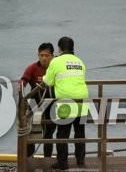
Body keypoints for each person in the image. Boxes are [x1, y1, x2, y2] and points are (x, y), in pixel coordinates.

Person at [41, 37, 89, 171]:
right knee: (80, 133)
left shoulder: (56, 61)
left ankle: (63, 163)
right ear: (73, 48)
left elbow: (48, 81)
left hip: (66, 103)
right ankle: (80, 160)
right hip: (82, 101)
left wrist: (44, 79)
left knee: (62, 134)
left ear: (59, 49)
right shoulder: (80, 62)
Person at [18, 43, 55, 158]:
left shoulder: (55, 68)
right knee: (32, 134)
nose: (44, 58)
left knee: (49, 135)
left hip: (51, 105)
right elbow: (23, 80)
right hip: (35, 105)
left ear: (52, 56)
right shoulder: (32, 68)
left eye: (47, 55)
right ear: (38, 55)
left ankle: (47, 160)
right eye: (41, 55)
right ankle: (29, 159)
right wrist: (21, 89)